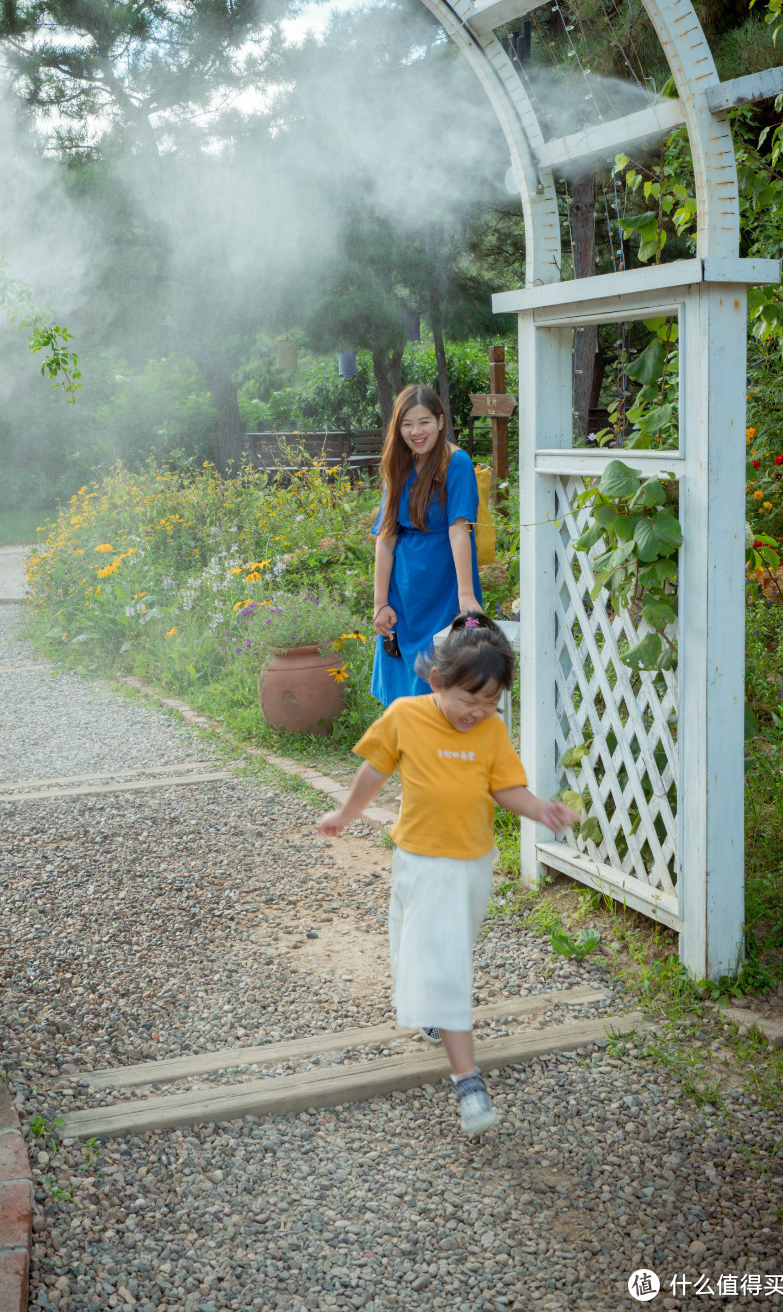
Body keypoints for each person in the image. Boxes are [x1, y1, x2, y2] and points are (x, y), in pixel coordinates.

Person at [317, 614, 580, 1136]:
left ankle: (430, 1005)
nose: (478, 713)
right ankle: (468, 1081)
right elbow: (374, 769)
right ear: (438, 680)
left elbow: (504, 788)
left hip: (472, 861)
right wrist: (345, 815)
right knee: (442, 958)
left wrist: (539, 810)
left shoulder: (491, 730)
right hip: (419, 857)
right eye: (469, 700)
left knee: (440, 943)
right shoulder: (404, 716)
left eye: (491, 703)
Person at [371, 384, 483, 706]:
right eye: (407, 424)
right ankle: (406, 754)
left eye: (424, 422)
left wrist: (466, 596)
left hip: (446, 589)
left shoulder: (456, 462)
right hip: (403, 593)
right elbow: (386, 537)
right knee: (403, 695)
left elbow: (459, 529)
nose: (416, 432)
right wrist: (380, 602)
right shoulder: (398, 464)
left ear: (441, 421)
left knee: (442, 683)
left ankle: (439, 755)